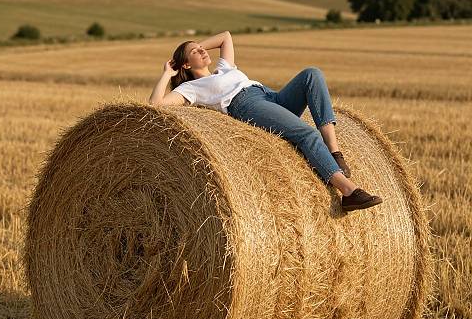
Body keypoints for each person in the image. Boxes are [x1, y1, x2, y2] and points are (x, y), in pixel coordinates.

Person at [148, 31, 382, 212]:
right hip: (245, 105)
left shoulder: (223, 68)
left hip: (267, 95)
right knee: (306, 134)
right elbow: (155, 105)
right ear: (186, 65)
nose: (201, 51)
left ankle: (335, 152)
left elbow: (225, 37)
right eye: (195, 52)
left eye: (201, 48)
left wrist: (195, 46)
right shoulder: (191, 88)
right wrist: (168, 72)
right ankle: (348, 192)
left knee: (312, 74)